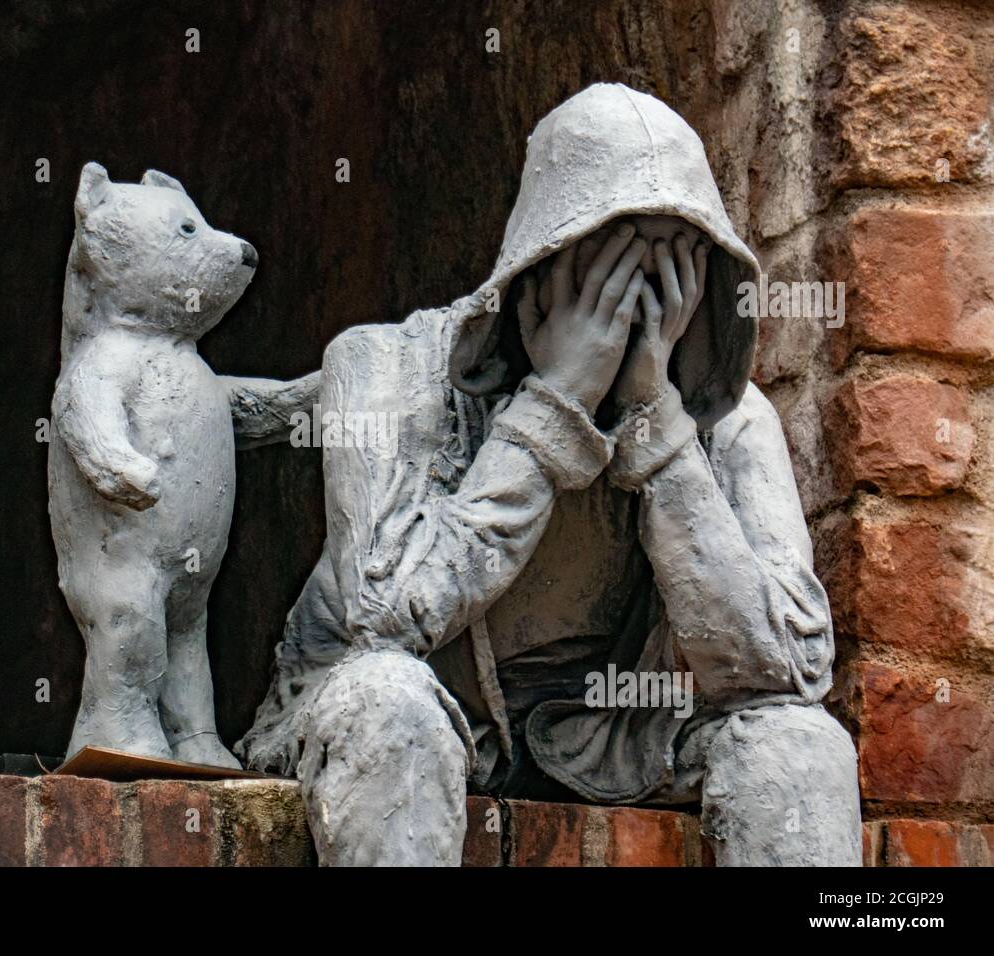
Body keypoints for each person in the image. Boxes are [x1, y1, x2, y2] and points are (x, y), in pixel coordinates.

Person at [236, 83, 861, 867]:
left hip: (626, 739)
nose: (639, 299)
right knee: (386, 703)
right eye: (612, 260)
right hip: (400, 718)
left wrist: (656, 426)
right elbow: (383, 613)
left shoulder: (728, 421)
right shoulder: (389, 365)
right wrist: (555, 406)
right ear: (539, 263)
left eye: (674, 264)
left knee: (800, 746)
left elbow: (790, 668)